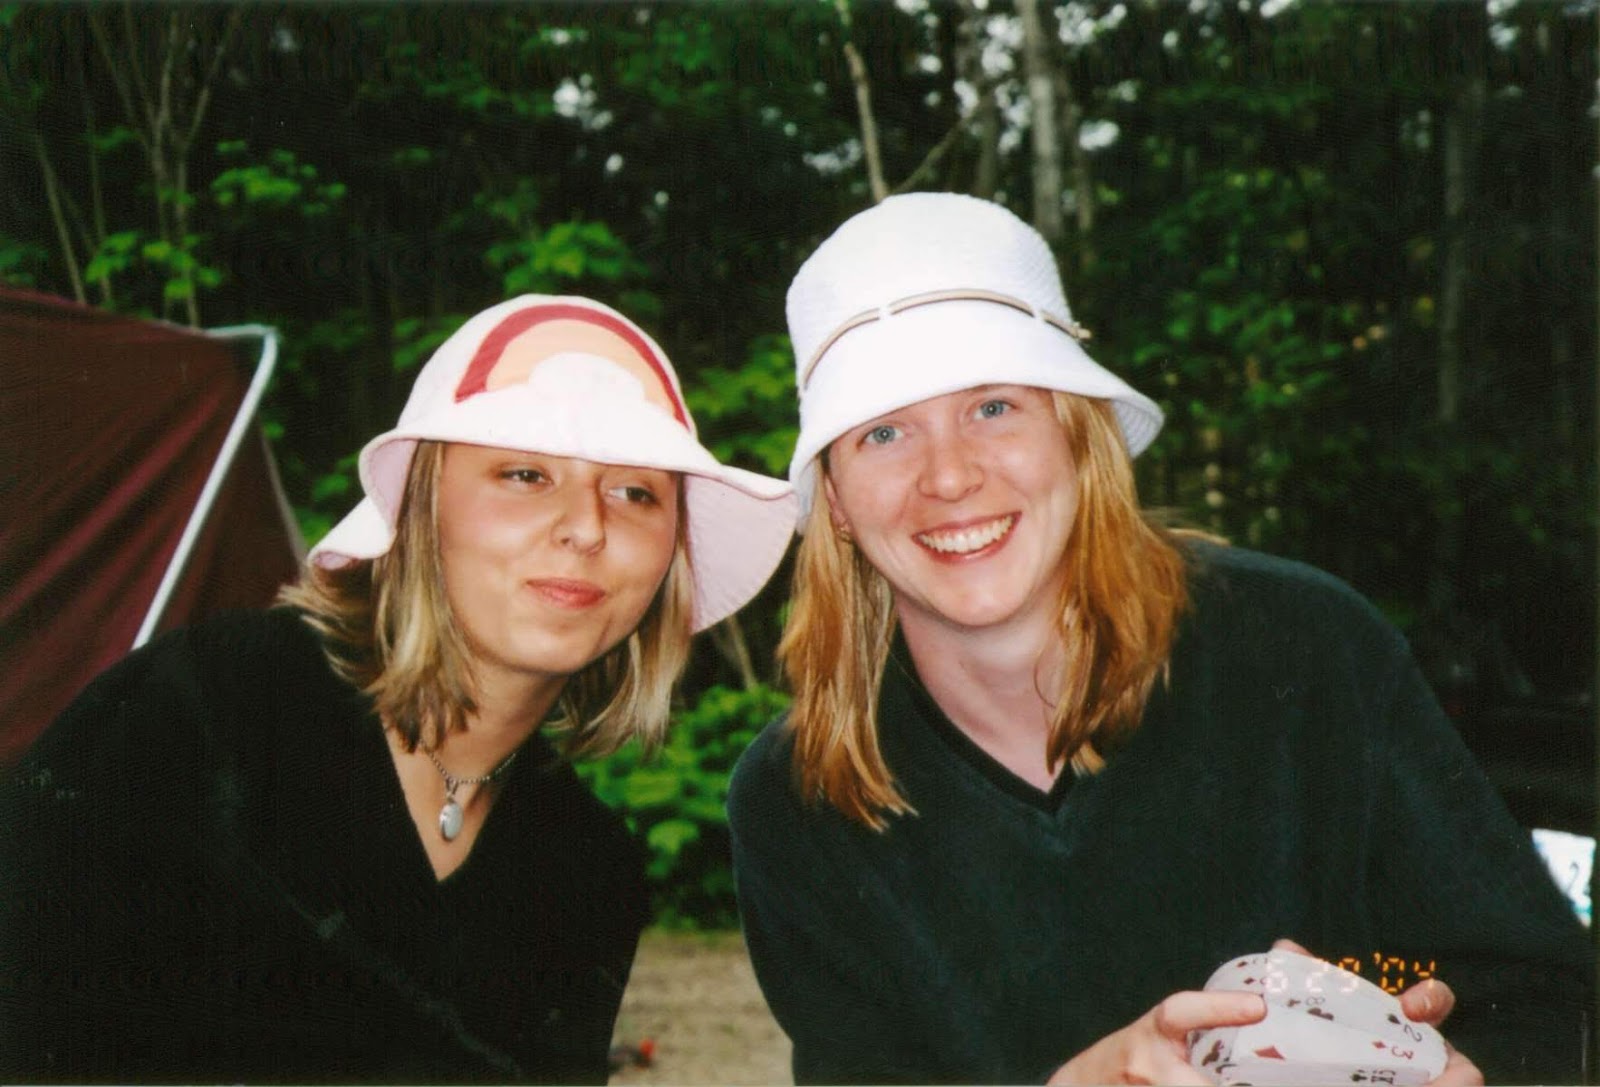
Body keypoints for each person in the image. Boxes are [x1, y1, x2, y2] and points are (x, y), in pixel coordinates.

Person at [727, 193, 1592, 1085]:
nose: (948, 475)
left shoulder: (1306, 650)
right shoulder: (798, 800)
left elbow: (1540, 998)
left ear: (1080, 433)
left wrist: (1444, 1048)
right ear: (834, 499)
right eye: (883, 431)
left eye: (993, 406)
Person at [0, 294, 797, 1083]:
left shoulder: (585, 870)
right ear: (420, 504)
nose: (586, 526)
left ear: (669, 557)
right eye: (525, 474)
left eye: (635, 492)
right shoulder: (207, 709)